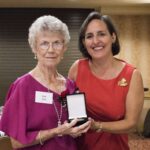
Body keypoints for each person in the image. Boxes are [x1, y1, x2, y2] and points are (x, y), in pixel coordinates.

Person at [0, 15, 91, 150]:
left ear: (64, 47)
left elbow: (74, 128)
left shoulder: (70, 85)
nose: (51, 49)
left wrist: (78, 129)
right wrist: (56, 131)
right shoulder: (22, 86)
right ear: (34, 48)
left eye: (57, 43)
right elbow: (16, 143)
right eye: (44, 43)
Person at [68, 11, 144, 150]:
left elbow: (131, 123)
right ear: (84, 42)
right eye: (89, 36)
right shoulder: (77, 68)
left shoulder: (132, 75)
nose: (96, 41)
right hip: (79, 146)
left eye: (101, 34)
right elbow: (69, 108)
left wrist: (98, 126)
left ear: (113, 37)